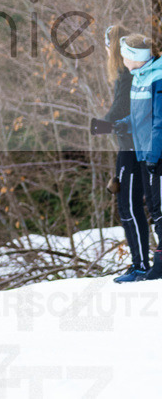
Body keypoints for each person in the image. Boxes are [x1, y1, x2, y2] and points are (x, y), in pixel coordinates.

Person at [90, 25, 150, 282]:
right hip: (130, 145)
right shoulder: (127, 74)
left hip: (133, 147)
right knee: (130, 205)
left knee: (130, 206)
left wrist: (102, 124)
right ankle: (140, 263)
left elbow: (122, 111)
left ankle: (141, 265)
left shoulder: (126, 75)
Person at [111, 34, 162, 281]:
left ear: (134, 57)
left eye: (124, 55)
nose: (121, 59)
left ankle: (159, 266)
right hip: (143, 152)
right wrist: (124, 124)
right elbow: (141, 117)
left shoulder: (157, 75)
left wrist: (152, 156)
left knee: (158, 209)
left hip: (153, 154)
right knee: (154, 207)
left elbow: (158, 122)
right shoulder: (139, 77)